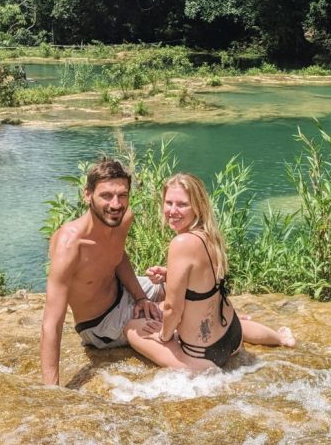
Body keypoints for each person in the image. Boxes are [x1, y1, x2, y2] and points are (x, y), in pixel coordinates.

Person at [125, 173, 295, 372]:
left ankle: (203, 371)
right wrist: (170, 274)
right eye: (168, 202)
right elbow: (201, 280)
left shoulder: (181, 243)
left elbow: (173, 308)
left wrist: (163, 336)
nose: (172, 210)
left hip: (203, 350)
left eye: (182, 204)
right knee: (161, 307)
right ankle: (280, 338)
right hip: (232, 334)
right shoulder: (210, 235)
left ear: (198, 206)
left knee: (131, 327)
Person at [40, 158, 163, 386]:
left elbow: (117, 256)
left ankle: (230, 320)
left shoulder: (123, 218)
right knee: (168, 321)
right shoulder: (70, 245)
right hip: (100, 323)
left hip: (124, 292)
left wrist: (140, 296)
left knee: (182, 285)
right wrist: (51, 389)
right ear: (87, 195)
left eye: (122, 195)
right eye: (106, 195)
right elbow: (51, 322)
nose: (116, 205)